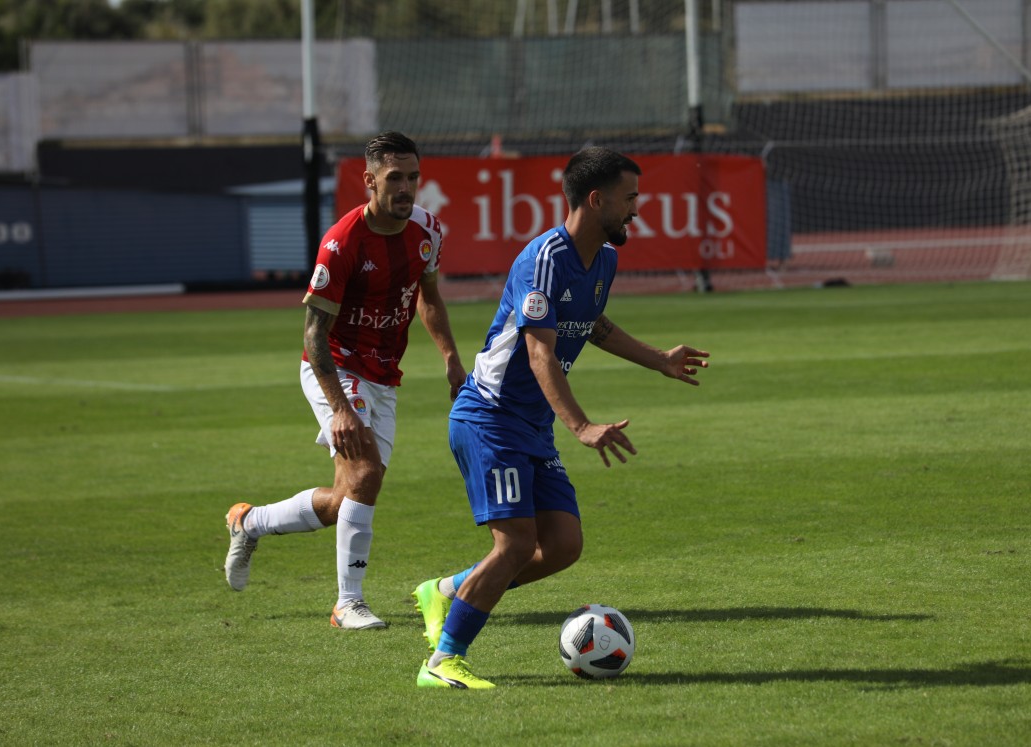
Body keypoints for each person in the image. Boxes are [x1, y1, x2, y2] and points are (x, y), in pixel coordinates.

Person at [411, 147, 710, 688]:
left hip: (528, 425)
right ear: (596, 200)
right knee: (517, 544)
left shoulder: (605, 260)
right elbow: (539, 353)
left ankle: (449, 590)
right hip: (490, 417)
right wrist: (582, 427)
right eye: (629, 199)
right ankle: (442, 661)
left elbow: (594, 324)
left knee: (564, 545)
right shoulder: (544, 258)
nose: (636, 210)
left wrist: (659, 359)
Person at [224, 131, 466, 630]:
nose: (406, 188)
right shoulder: (342, 242)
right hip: (334, 366)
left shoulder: (428, 232)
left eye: (413, 177)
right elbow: (314, 334)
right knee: (367, 475)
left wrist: (450, 358)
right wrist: (339, 407)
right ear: (369, 181)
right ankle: (347, 603)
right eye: (394, 178)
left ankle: (248, 522)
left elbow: (429, 296)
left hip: (384, 375)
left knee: (345, 500)